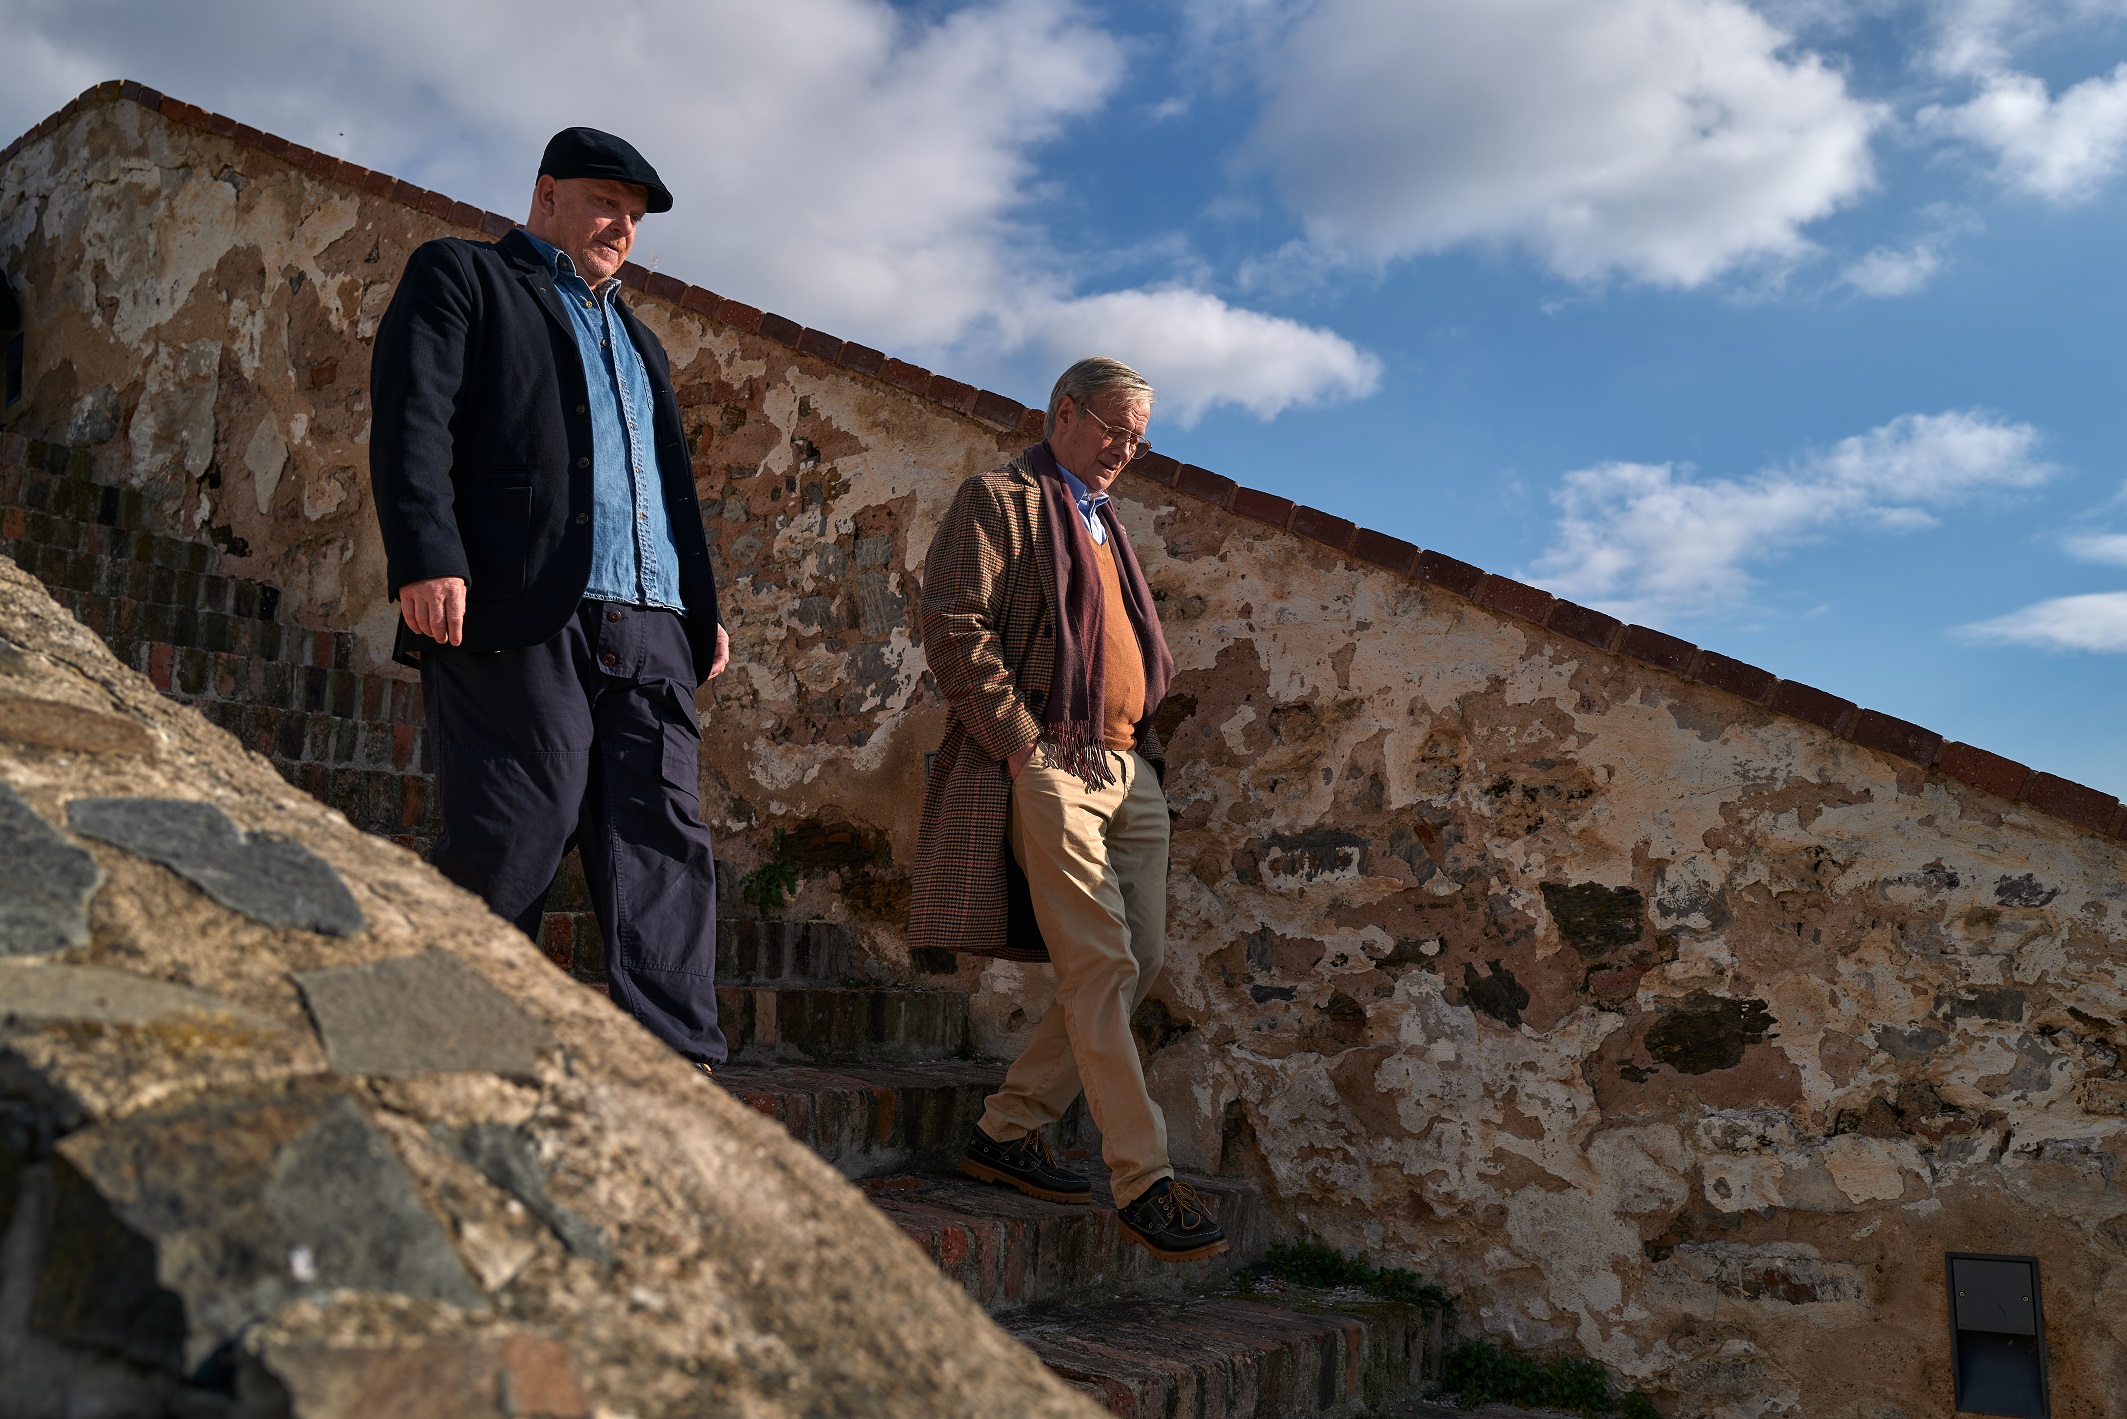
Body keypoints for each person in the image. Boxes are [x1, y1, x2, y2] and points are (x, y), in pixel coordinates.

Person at [369, 128, 729, 1072]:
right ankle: (454, 1042)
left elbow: (663, 484)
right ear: (545, 195)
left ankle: (675, 1063)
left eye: (635, 215)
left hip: (652, 621)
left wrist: (697, 605)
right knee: (515, 825)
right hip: (519, 606)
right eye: (606, 201)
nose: (622, 226)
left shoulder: (641, 339)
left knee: (664, 842)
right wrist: (425, 554)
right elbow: (413, 416)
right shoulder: (464, 276)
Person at [910, 357, 1225, 1262]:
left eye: (1138, 440)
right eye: (1114, 430)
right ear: (1063, 412)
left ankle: (1007, 1128)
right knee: (1099, 963)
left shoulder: (1103, 521)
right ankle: (1143, 1178)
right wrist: (1022, 745)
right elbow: (953, 622)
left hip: (1126, 763)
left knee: (1140, 958)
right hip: (1050, 757)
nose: (1124, 449)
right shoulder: (1000, 498)